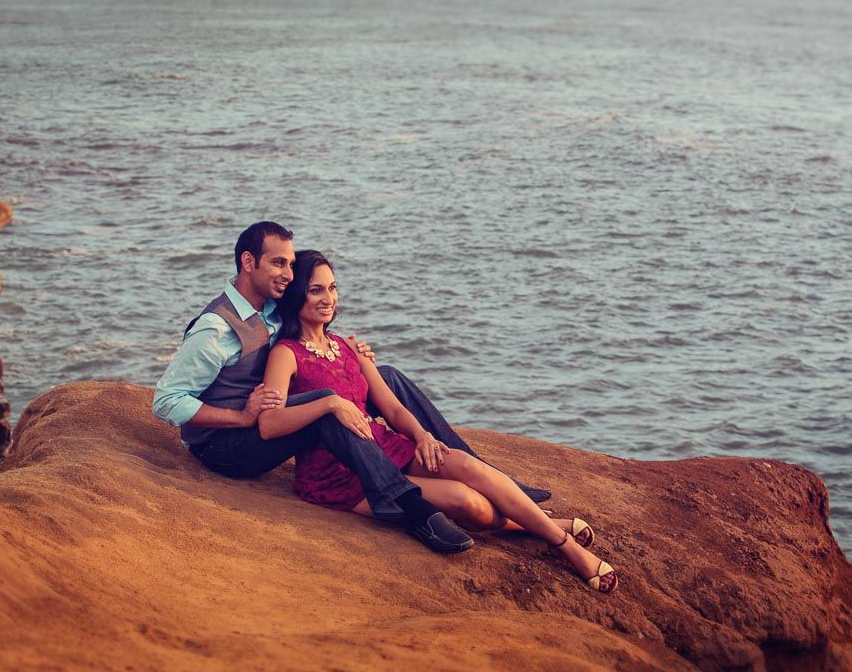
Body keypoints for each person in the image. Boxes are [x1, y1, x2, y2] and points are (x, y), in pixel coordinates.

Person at [154, 222, 546, 553]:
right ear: (247, 261)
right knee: (328, 404)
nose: (287, 274)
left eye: (290, 264)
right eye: (278, 263)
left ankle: (485, 472)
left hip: (268, 412)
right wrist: (240, 416)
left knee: (384, 375)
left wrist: (350, 356)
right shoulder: (215, 329)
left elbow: (304, 323)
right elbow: (166, 402)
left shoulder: (271, 306)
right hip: (226, 446)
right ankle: (412, 509)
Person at [257, 249, 618, 593]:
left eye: (333, 288)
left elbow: (394, 409)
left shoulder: (347, 347)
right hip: (340, 474)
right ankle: (548, 530)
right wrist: (328, 404)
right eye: (316, 290)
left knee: (464, 464)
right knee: (465, 501)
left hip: (385, 446)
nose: (328, 298)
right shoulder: (286, 354)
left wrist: (423, 436)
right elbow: (269, 425)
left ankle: (563, 545)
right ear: (296, 298)